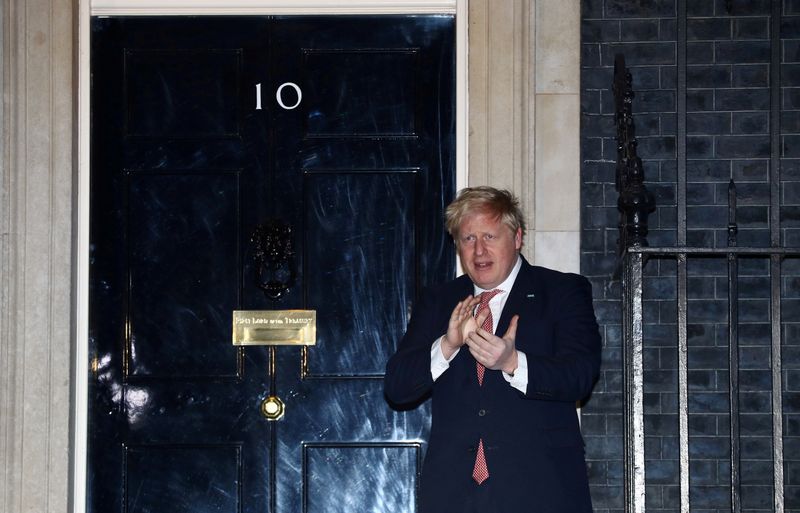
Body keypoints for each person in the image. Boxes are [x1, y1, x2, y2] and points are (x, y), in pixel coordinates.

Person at [385, 186, 601, 513]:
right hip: (453, 492)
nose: (479, 251)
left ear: (517, 238)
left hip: (541, 488)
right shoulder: (439, 301)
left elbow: (580, 376)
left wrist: (513, 362)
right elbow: (397, 388)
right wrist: (448, 345)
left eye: (490, 236)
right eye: (468, 239)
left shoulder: (562, 291)